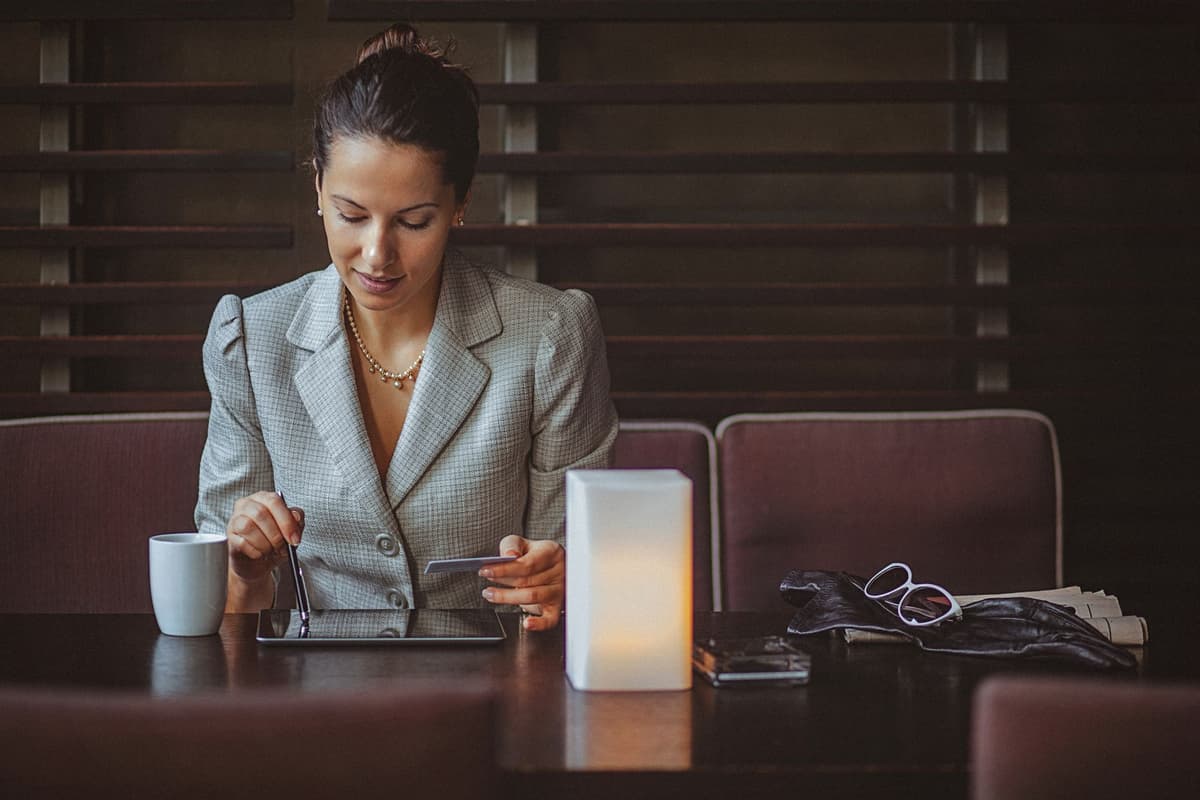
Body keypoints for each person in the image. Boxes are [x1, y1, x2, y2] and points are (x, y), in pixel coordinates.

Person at [195, 23, 618, 631]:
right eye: (350, 215)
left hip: (494, 701)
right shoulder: (251, 339)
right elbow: (214, 612)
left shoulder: (550, 337)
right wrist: (245, 570)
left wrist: (563, 579)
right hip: (316, 702)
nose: (376, 255)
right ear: (317, 186)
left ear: (460, 203)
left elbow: (582, 579)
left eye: (414, 222)